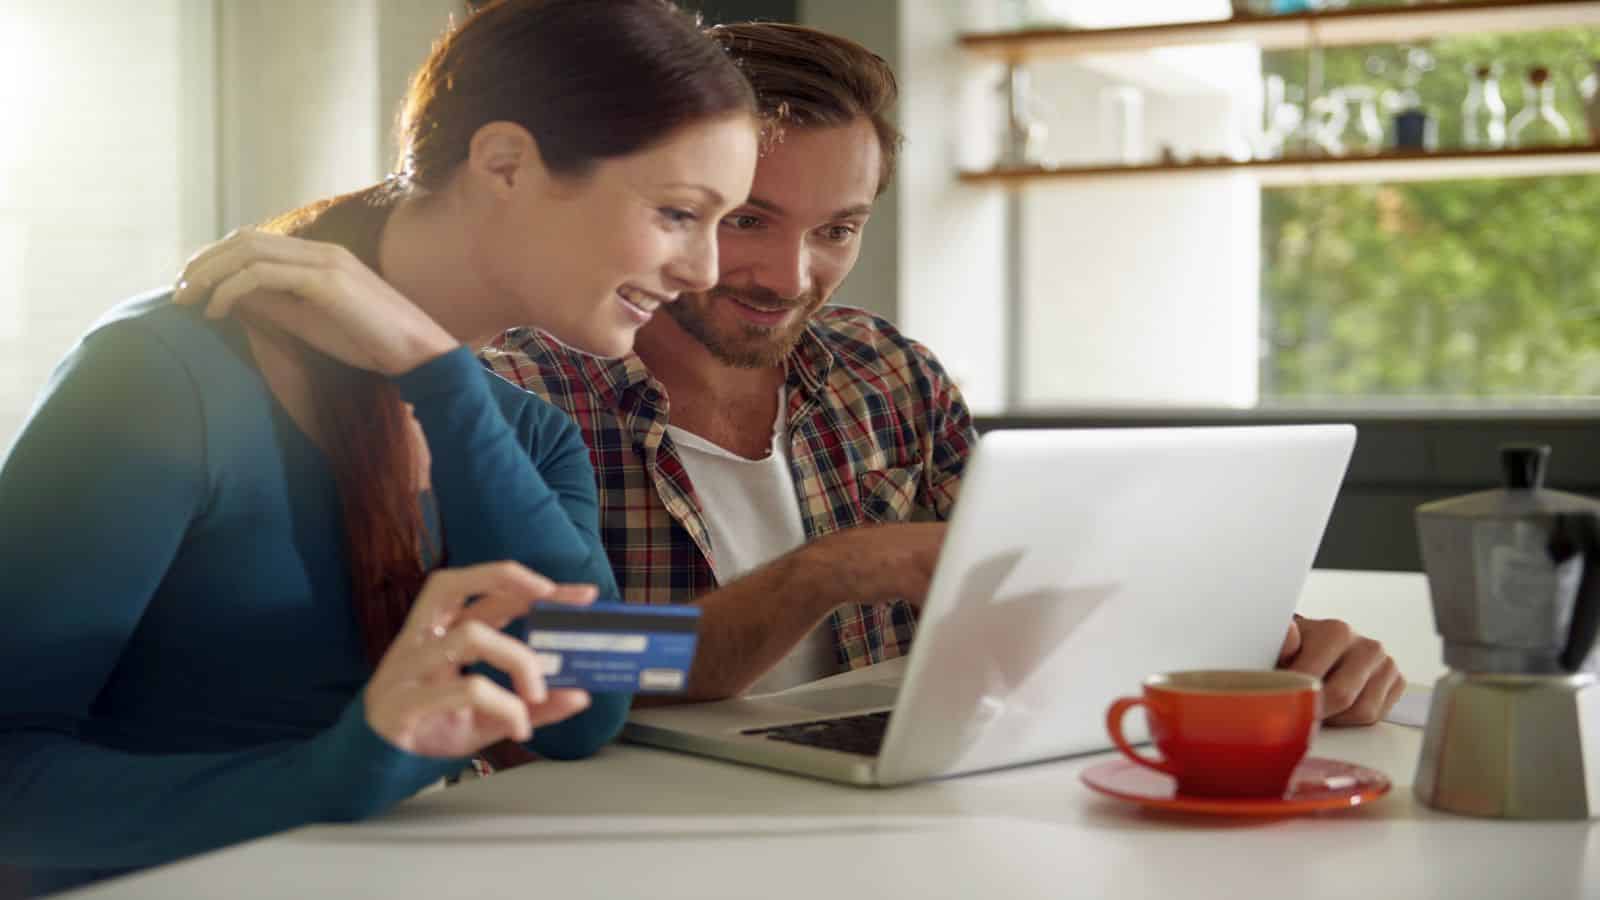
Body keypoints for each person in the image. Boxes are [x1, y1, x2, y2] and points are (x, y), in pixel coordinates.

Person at [0, 0, 757, 893]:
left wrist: (437, 372)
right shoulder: (160, 379)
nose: (706, 271)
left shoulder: (528, 431)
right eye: (678, 212)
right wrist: (341, 770)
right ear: (504, 163)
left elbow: (585, 714)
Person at [482, 22, 1406, 728]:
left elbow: (1043, 594)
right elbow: (549, 656)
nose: (790, 277)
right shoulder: (522, 390)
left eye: (836, 229)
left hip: (888, 799)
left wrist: (1272, 646)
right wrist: (825, 575)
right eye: (748, 220)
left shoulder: (884, 374)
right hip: (626, 821)